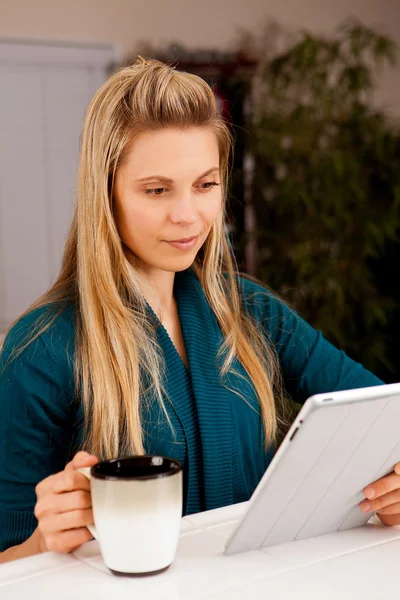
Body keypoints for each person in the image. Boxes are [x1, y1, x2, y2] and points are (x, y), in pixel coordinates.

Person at [1, 57, 399, 565]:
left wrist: (391, 486)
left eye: (205, 185)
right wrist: (44, 541)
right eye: (157, 190)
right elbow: (7, 556)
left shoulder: (251, 309)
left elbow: (383, 414)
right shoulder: (41, 347)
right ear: (105, 195)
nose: (188, 215)